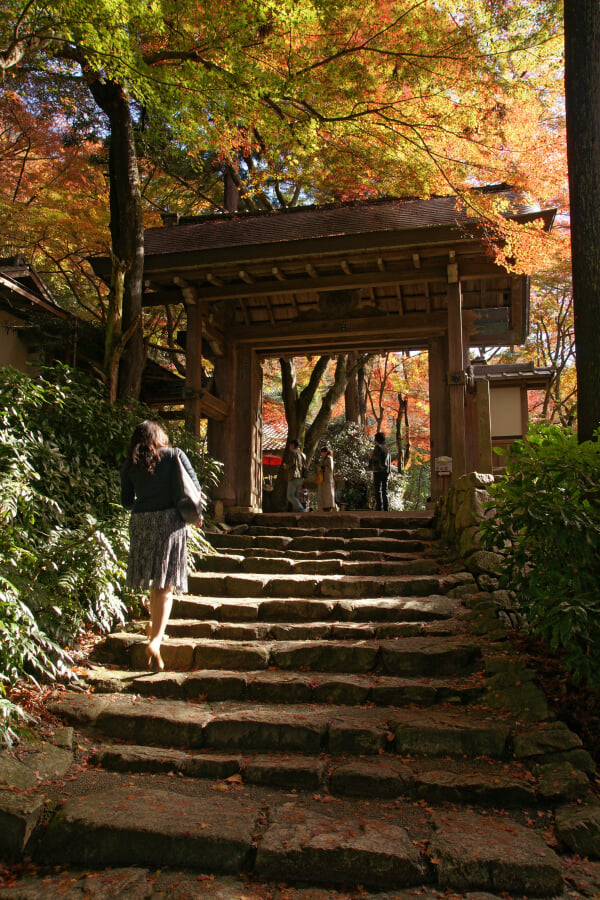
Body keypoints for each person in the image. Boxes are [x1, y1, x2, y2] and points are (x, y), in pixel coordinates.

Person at [121, 420, 201, 672]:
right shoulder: (173, 455)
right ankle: (155, 642)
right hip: (169, 520)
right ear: (158, 436)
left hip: (142, 522)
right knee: (166, 585)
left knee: (156, 580)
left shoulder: (130, 464)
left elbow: (126, 501)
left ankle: (153, 628)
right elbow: (194, 488)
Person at [369, 431, 391, 512]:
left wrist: (370, 457)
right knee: (385, 490)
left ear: (377, 439)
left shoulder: (377, 448)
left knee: (378, 490)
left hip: (378, 471)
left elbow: (375, 459)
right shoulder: (386, 449)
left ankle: (379, 507)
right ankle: (386, 508)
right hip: (386, 471)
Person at [284, 438, 307, 512]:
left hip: (293, 476)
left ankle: (301, 509)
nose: (289, 447)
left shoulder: (293, 452)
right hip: (301, 477)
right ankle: (296, 511)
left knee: (290, 496)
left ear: (293, 445)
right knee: (296, 496)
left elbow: (292, 463)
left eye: (290, 445)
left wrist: (286, 466)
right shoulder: (303, 455)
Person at [317, 445, 336, 512]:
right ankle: (324, 507)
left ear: (325, 452)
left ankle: (328, 507)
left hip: (328, 480)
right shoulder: (324, 459)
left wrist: (322, 469)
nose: (321, 454)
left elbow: (330, 468)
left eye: (322, 452)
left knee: (328, 494)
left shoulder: (329, 458)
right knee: (324, 495)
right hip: (323, 479)